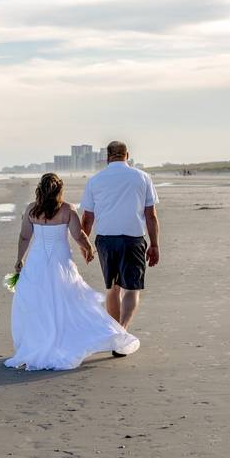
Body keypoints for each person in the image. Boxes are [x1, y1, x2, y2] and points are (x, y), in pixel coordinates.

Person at [5, 173, 139, 371]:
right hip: (61, 262)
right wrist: (88, 249)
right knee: (66, 301)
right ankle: (60, 343)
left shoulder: (31, 209)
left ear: (40, 189)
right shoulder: (67, 209)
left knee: (39, 304)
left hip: (37, 262)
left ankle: (39, 344)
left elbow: (25, 237)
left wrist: (19, 259)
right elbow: (79, 235)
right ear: (60, 190)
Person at [80, 141, 160, 352]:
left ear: (107, 156)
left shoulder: (95, 180)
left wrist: (84, 244)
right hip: (133, 238)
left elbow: (87, 218)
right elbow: (150, 215)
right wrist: (155, 245)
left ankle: (116, 333)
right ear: (127, 155)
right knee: (132, 289)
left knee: (113, 288)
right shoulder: (142, 177)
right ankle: (121, 332)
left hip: (106, 239)